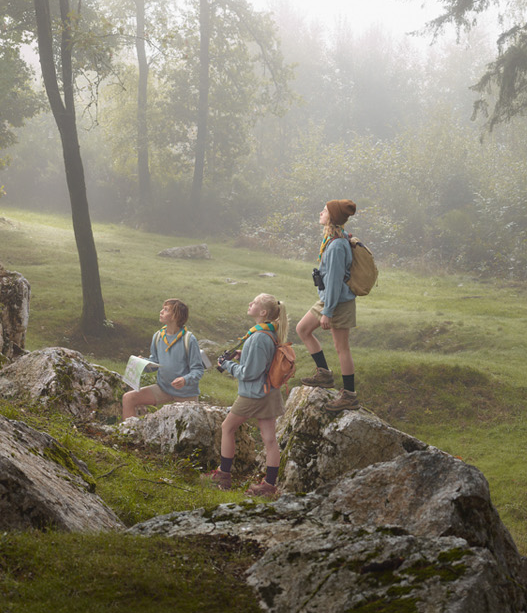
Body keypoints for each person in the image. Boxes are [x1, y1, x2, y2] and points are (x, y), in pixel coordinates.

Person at [208, 292, 287, 498]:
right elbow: (262, 361)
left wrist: (227, 365)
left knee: (228, 427)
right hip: (269, 391)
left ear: (262, 312)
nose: (249, 303)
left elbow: (250, 373)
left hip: (254, 394)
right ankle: (269, 485)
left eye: (254, 302)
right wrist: (241, 355)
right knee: (269, 438)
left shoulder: (259, 337)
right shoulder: (267, 332)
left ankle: (224, 475)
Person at [296, 198, 362, 411]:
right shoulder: (337, 239)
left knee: (342, 348)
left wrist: (328, 312)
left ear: (332, 217)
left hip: (338, 302)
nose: (320, 213)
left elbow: (334, 281)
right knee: (303, 329)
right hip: (328, 298)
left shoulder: (336, 246)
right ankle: (324, 374)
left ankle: (349, 395)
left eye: (324, 211)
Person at [121, 299, 206, 419]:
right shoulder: (158, 336)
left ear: (176, 316)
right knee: (128, 398)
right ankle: (129, 434)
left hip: (186, 393)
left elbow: (198, 370)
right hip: (163, 388)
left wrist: (184, 379)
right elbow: (155, 362)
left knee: (184, 429)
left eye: (166, 310)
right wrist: (143, 363)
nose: (161, 312)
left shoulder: (189, 339)